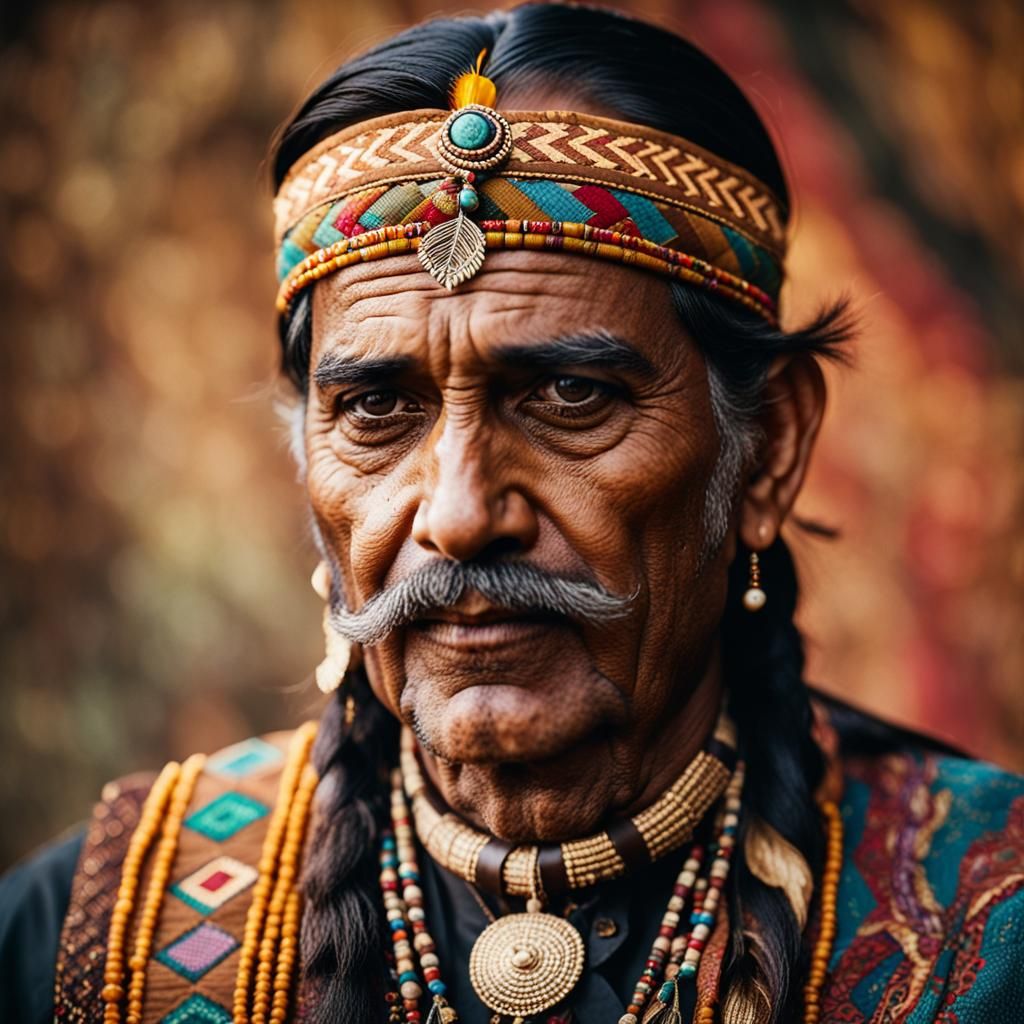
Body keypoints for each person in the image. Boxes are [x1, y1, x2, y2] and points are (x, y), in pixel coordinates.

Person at [2, 5, 1022, 1023]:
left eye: (570, 398)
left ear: (765, 452)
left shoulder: (989, 927)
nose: (456, 514)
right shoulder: (89, 943)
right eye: (375, 408)